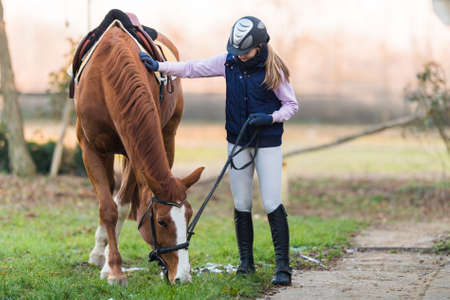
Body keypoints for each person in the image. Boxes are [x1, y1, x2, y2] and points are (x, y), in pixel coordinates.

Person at [139, 16, 298, 286]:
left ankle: (283, 267)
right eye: (237, 52)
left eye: (245, 52)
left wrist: (270, 118)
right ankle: (246, 264)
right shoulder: (228, 62)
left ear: (260, 46)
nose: (240, 56)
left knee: (271, 202)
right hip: (237, 141)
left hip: (267, 142)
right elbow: (192, 68)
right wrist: (160, 66)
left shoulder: (274, 71)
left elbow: (291, 105)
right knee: (241, 203)